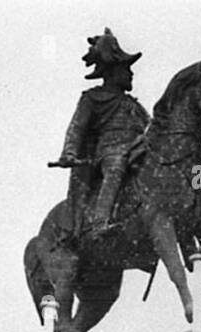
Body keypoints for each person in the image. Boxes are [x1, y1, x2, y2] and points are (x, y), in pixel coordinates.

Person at [55, 29, 150, 238]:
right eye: (126, 69)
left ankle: (190, 233)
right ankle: (100, 222)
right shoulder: (92, 98)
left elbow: (151, 127)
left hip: (138, 149)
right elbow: (77, 128)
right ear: (112, 71)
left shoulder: (133, 105)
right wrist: (69, 152)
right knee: (115, 169)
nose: (131, 74)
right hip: (109, 152)